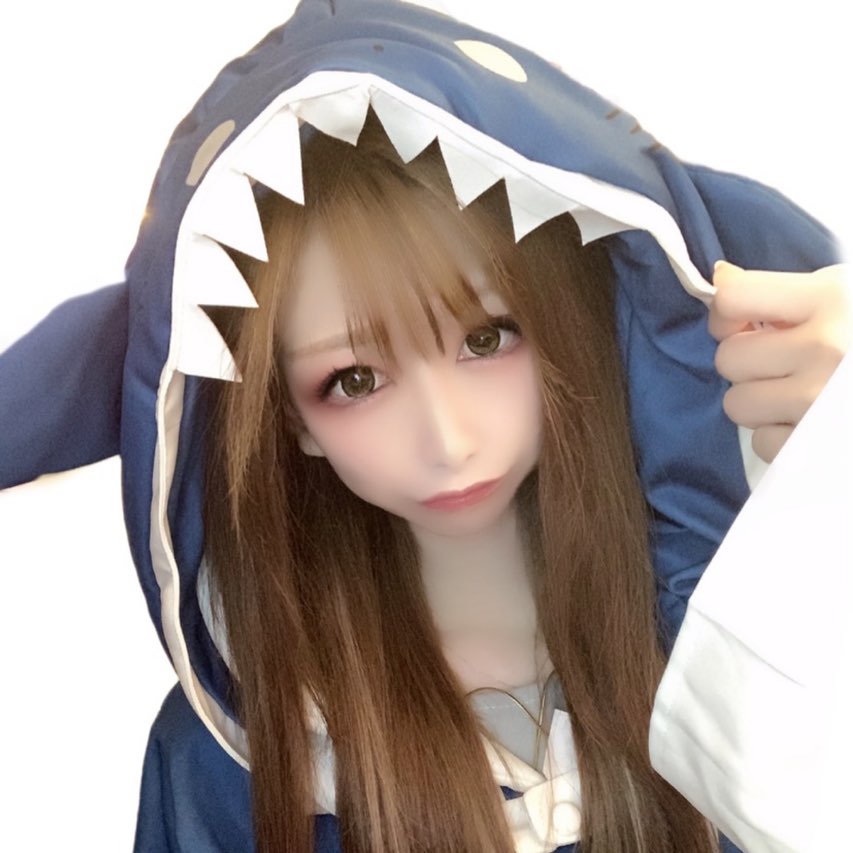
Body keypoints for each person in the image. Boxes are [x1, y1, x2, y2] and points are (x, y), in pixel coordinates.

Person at [0, 1, 847, 851]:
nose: (447, 439)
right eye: (354, 380)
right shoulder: (231, 763)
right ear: (290, 418)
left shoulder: (755, 633)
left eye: (485, 339)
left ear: (569, 321)